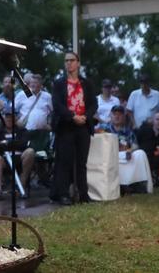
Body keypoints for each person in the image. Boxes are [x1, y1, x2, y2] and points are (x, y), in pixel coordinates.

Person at [50, 52, 97, 205]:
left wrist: (86, 117)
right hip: (66, 126)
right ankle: (63, 194)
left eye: (72, 60)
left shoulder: (87, 83)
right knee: (65, 161)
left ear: (78, 63)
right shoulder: (59, 83)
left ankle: (84, 194)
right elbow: (57, 105)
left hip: (83, 126)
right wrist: (72, 116)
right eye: (66, 61)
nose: (69, 63)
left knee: (82, 162)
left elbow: (93, 104)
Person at [98, 106, 153, 193]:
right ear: (110, 116)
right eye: (114, 114)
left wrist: (130, 151)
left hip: (124, 156)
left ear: (124, 117)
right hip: (107, 156)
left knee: (140, 153)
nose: (117, 116)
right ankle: (120, 186)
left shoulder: (128, 131)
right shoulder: (103, 128)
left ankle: (138, 183)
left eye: (120, 114)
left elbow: (135, 145)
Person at [0, 110, 34, 200]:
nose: (9, 119)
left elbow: (24, 144)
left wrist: (7, 143)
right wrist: (11, 144)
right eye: (7, 117)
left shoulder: (22, 130)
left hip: (20, 158)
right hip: (5, 159)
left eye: (11, 117)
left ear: (15, 119)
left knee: (30, 151)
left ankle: (21, 185)